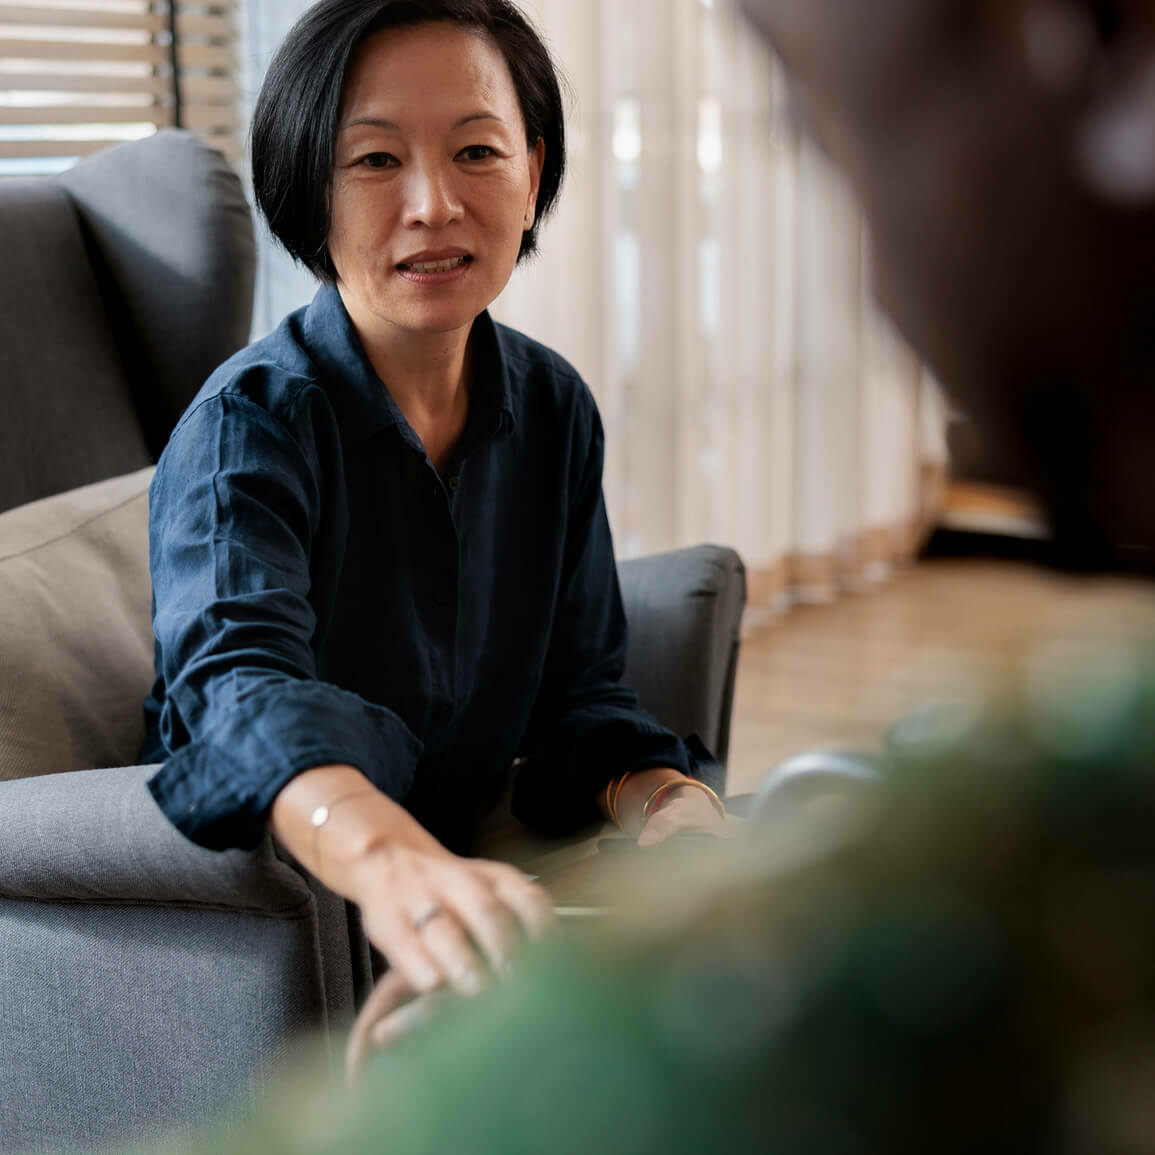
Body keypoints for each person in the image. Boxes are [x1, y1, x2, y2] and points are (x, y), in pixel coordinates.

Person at [139, 0, 727, 1007]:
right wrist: (393, 867)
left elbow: (580, 696)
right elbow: (243, 699)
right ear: (306, 187)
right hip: (269, 901)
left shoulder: (552, 406)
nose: (432, 205)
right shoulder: (251, 424)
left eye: (477, 152)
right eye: (373, 161)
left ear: (533, 170)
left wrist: (667, 799)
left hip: (475, 859)